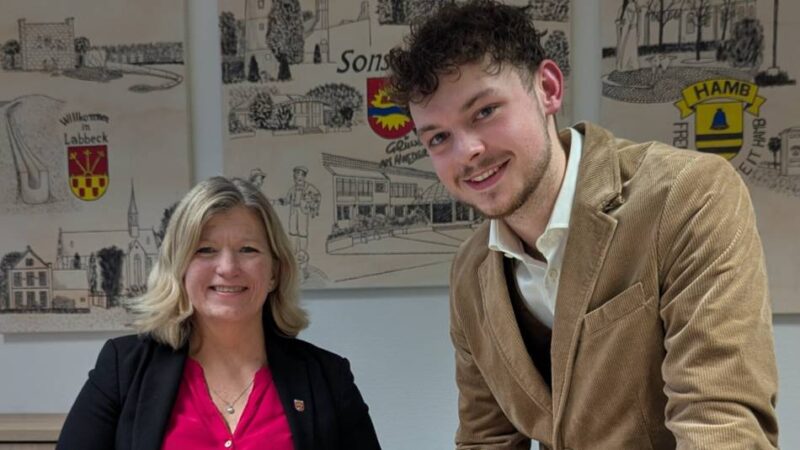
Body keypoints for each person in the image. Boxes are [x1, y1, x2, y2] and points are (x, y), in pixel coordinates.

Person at [386, 1, 779, 449]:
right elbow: (485, 440)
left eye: (484, 112)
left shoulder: (687, 195)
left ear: (548, 89)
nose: (467, 151)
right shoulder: (470, 271)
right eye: (439, 137)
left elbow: (720, 424)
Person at [56, 177, 381, 450]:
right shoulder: (122, 368)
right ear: (179, 268)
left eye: (248, 250)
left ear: (273, 273)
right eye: (205, 250)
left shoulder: (327, 377)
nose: (227, 268)